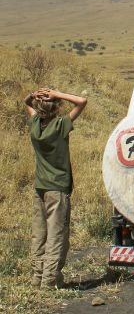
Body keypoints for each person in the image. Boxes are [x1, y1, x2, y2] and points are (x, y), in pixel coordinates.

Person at [24, 87, 87, 289]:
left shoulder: (35, 126)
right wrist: (58, 94)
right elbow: (81, 101)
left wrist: (35, 95)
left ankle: (37, 275)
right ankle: (50, 280)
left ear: (39, 108)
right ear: (56, 108)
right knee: (56, 234)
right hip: (58, 188)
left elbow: (27, 103)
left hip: (40, 187)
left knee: (39, 234)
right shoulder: (60, 125)